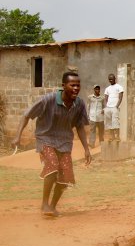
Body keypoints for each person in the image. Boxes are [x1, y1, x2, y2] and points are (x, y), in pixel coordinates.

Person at [11, 71, 92, 217]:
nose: (76, 88)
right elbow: (27, 115)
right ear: (63, 85)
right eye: (72, 85)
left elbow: (79, 126)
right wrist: (17, 136)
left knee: (66, 175)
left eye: (78, 85)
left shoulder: (79, 104)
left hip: (65, 141)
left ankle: (52, 207)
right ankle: (44, 204)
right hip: (46, 138)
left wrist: (86, 149)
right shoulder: (48, 100)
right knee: (52, 166)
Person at [104, 73, 124, 141]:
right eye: (109, 79)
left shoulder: (119, 87)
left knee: (116, 122)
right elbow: (106, 98)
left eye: (112, 79)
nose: (111, 80)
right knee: (109, 123)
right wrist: (106, 106)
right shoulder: (107, 89)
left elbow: (120, 98)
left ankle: (117, 137)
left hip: (115, 107)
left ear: (115, 79)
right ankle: (112, 137)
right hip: (108, 107)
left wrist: (116, 106)